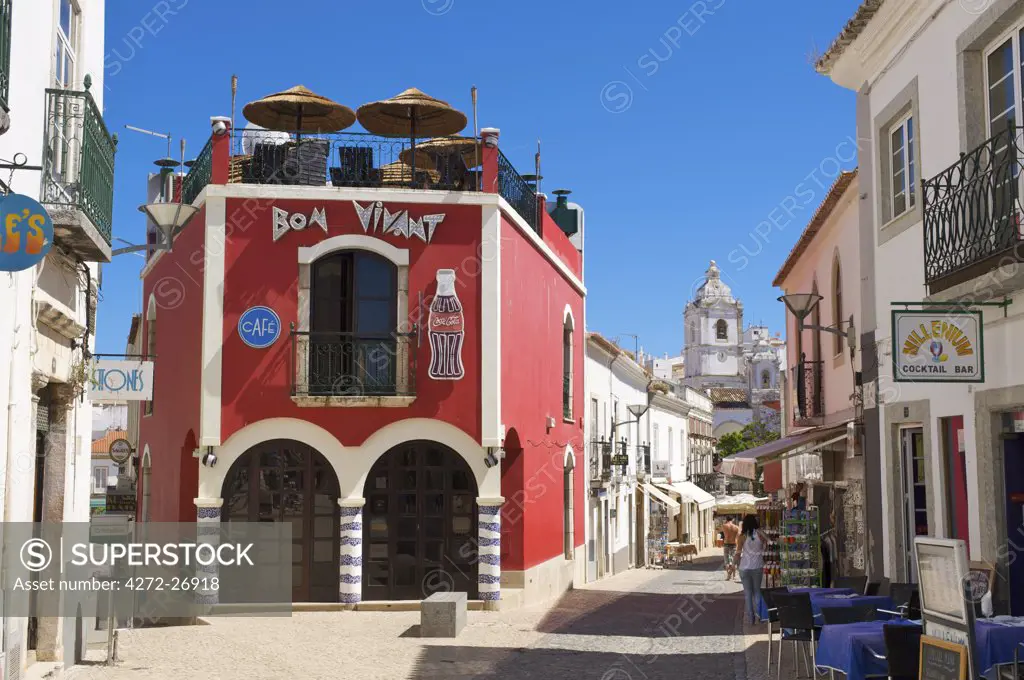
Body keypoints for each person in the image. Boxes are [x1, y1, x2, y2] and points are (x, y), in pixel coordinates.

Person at [735, 514, 769, 625]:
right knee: (757, 592)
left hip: (744, 568)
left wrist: (734, 565)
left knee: (748, 593)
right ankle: (760, 616)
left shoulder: (742, 536)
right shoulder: (760, 534)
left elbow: (738, 553)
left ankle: (751, 619)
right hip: (757, 566)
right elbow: (768, 542)